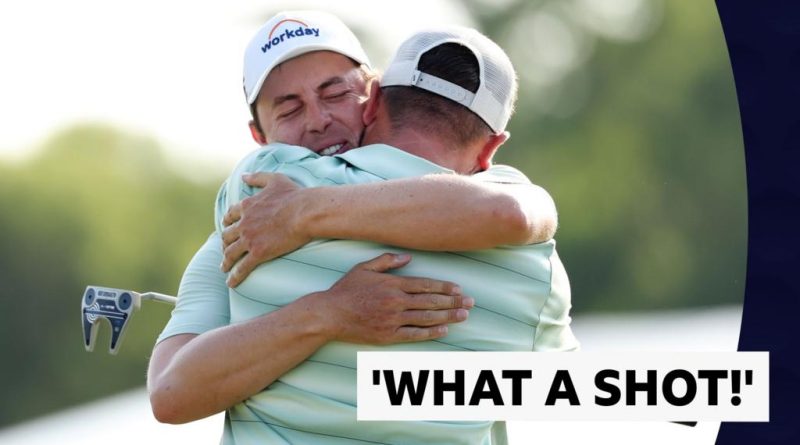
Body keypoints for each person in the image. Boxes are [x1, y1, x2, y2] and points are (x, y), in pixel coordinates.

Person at [148, 11, 576, 444]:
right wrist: (327, 313)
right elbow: (171, 394)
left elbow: (509, 214)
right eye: (290, 107)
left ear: (372, 98)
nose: (318, 120)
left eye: (334, 93)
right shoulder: (536, 263)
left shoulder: (265, 191)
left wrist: (302, 213)